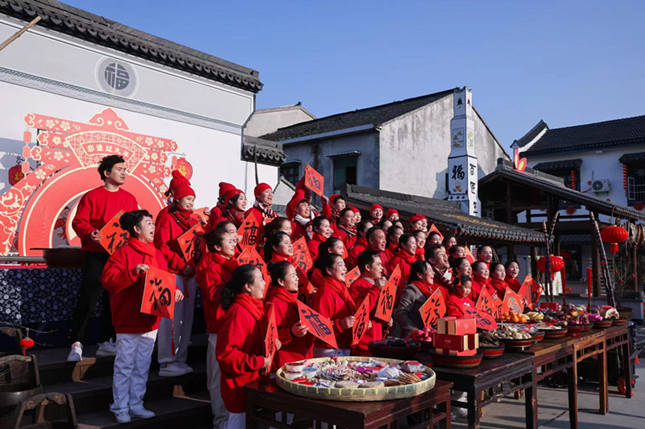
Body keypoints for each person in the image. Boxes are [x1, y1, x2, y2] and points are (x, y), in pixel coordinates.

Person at [101, 210, 184, 423]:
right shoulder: (123, 253)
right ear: (136, 229)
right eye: (148, 223)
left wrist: (174, 290)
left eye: (153, 223)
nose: (153, 227)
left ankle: (136, 404)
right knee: (125, 366)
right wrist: (133, 272)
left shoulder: (158, 254)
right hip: (128, 319)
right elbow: (108, 281)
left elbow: (165, 279)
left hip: (151, 320)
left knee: (142, 365)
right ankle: (120, 407)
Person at [68, 155, 138, 362]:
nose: (124, 172)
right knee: (88, 299)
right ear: (106, 173)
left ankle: (108, 341)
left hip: (119, 256)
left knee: (114, 299)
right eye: (119, 169)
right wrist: (91, 233)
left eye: (125, 169)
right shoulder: (92, 196)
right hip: (96, 254)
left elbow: (135, 225)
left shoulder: (130, 198)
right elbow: (79, 222)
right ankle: (76, 343)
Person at [216, 265, 275, 429]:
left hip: (252, 384)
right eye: (261, 279)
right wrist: (259, 361)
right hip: (239, 387)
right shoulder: (238, 312)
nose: (265, 283)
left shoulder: (255, 307)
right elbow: (226, 356)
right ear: (248, 287)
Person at [153, 177, 200, 377]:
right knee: (171, 319)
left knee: (186, 319)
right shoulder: (167, 217)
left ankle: (180, 357)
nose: (190, 202)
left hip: (189, 274)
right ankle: (166, 360)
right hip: (173, 273)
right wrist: (182, 265)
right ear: (177, 198)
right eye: (186, 198)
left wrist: (193, 265)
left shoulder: (194, 220)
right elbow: (161, 248)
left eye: (192, 199)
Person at [197, 226, 239, 429]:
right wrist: (238, 285)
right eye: (229, 241)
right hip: (219, 326)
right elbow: (215, 296)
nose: (234, 244)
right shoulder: (209, 266)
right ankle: (220, 419)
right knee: (217, 376)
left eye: (234, 240)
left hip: (235, 325)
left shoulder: (234, 264)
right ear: (216, 246)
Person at [266, 261, 312, 368]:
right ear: (281, 281)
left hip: (300, 358)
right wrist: (291, 332)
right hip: (286, 362)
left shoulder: (293, 299)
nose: (297, 279)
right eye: (292, 276)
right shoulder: (274, 302)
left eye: (296, 275)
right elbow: (270, 337)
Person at [311, 254, 355, 357]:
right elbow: (318, 326)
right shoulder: (325, 293)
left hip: (343, 345)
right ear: (329, 270)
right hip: (329, 349)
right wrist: (340, 324)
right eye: (340, 265)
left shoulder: (341, 289)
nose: (345, 268)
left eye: (344, 265)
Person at [393, 260, 448, 337]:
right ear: (419, 275)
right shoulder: (411, 290)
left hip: (431, 334)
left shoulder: (430, 289)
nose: (433, 273)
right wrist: (414, 331)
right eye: (430, 271)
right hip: (417, 337)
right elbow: (401, 313)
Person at [349, 251, 388, 355]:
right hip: (364, 343)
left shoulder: (377, 285)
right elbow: (361, 311)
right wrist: (375, 289)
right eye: (378, 264)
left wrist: (387, 318)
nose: (382, 268)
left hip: (377, 341)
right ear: (367, 267)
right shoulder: (358, 285)